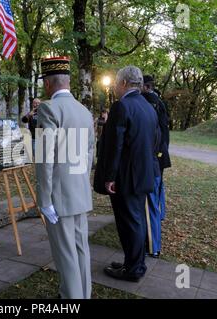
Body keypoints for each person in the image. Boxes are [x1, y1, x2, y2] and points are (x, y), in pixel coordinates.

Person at [93, 66, 161, 282]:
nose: (114, 86)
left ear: (123, 83)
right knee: (137, 220)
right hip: (143, 174)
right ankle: (135, 263)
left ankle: (133, 269)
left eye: (115, 82)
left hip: (126, 177)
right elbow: (155, 140)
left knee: (129, 224)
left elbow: (115, 145)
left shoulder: (122, 106)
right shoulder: (148, 106)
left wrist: (110, 177)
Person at [35, 56, 94, 299]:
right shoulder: (84, 111)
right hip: (79, 191)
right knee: (81, 250)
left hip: (58, 196)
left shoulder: (48, 108)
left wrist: (44, 199)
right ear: (68, 81)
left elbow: (44, 158)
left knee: (66, 255)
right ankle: (83, 295)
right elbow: (90, 152)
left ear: (48, 84)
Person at [142, 75, 172, 257]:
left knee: (151, 203)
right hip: (159, 157)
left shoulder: (150, 103)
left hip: (154, 157)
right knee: (157, 197)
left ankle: (153, 246)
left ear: (145, 87)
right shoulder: (159, 102)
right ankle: (159, 221)